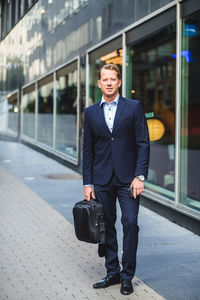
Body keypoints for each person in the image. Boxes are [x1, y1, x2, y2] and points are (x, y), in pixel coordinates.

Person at [83, 64, 150, 295]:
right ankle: (112, 271)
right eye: (105, 79)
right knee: (107, 226)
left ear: (119, 82)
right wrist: (87, 183)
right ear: (99, 83)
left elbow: (143, 143)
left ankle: (127, 275)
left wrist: (139, 176)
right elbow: (88, 150)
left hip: (128, 180)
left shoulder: (133, 107)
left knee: (130, 222)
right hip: (102, 179)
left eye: (113, 78)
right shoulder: (91, 112)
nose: (109, 82)